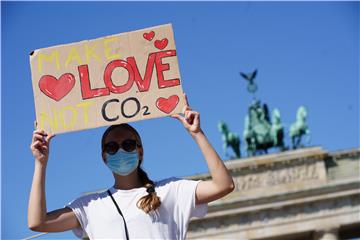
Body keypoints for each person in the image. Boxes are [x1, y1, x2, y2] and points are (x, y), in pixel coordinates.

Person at [28, 94, 235, 239]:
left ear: (140, 151)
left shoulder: (171, 190)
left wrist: (197, 134)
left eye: (127, 144)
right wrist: (41, 163)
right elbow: (37, 222)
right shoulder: (89, 205)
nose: (120, 150)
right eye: (112, 147)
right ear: (104, 157)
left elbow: (224, 185)